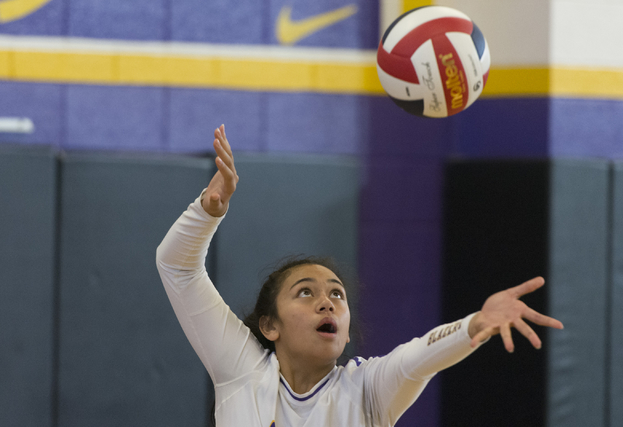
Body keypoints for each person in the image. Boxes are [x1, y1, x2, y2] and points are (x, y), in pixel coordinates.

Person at [156, 124, 564, 427]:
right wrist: (208, 210)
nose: (327, 301)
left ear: (346, 332)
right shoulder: (241, 369)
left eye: (337, 294)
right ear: (269, 325)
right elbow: (177, 266)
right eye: (304, 293)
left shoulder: (367, 391)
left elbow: (418, 358)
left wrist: (474, 324)